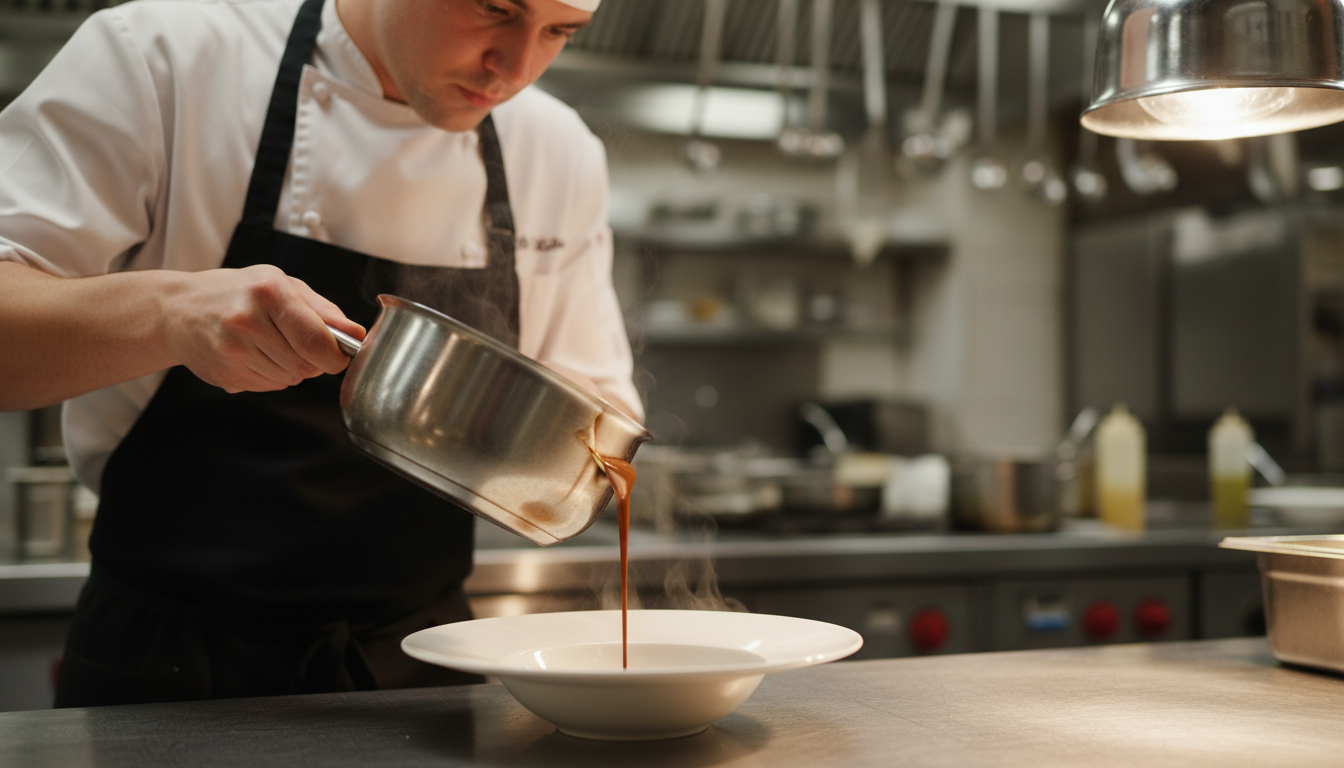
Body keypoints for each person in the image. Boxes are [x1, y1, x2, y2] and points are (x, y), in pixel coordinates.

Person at [0, 0, 642, 707]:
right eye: (494, 9)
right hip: (168, 663)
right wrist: (168, 316)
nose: (516, 67)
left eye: (559, 31)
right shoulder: (163, 58)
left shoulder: (556, 148)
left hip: (423, 667)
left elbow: (594, 424)